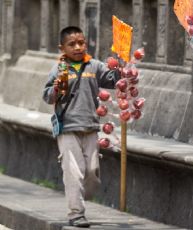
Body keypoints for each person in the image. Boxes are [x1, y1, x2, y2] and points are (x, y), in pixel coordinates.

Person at [42, 26, 120, 228]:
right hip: (68, 127)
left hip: (91, 126)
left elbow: (113, 81)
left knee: (92, 173)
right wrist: (58, 86)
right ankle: (76, 213)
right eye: (72, 44)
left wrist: (123, 67)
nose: (78, 47)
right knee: (73, 171)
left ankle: (80, 197)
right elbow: (47, 95)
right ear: (62, 48)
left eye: (81, 43)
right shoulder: (59, 69)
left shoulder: (94, 66)